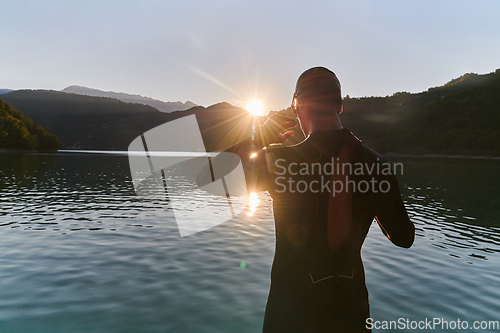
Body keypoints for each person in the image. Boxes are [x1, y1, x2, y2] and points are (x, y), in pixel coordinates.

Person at [226, 67, 415, 332]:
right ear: (339, 106)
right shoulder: (377, 165)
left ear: (297, 108)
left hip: (291, 316)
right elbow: (404, 237)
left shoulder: (279, 160)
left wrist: (264, 131)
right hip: (352, 315)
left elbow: (211, 179)